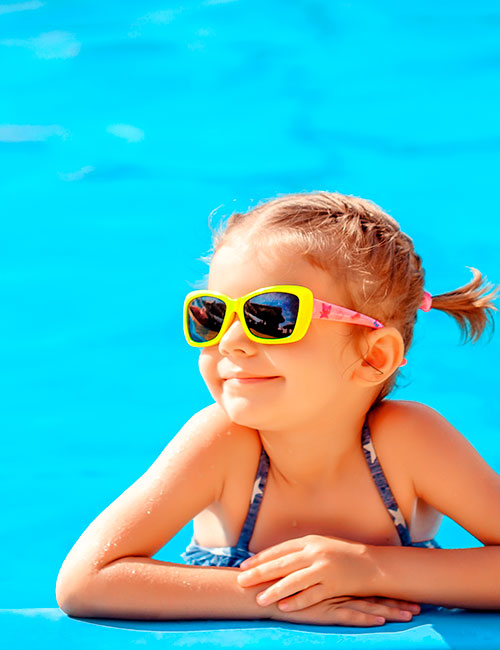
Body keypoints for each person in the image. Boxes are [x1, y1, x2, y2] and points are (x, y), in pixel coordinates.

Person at [56, 191, 500, 627]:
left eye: (269, 317)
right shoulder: (223, 442)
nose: (228, 341)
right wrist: (274, 599)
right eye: (212, 315)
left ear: (373, 357)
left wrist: (370, 567)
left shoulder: (409, 441)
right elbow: (86, 581)